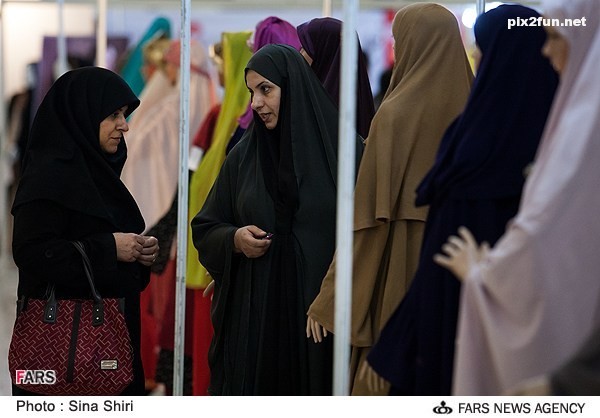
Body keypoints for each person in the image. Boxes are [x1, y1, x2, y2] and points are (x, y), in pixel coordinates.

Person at [365, 4, 559, 396]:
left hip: (456, 313)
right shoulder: (557, 146)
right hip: (511, 330)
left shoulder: (475, 142)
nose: (478, 63)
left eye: (482, 53)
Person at [433, 0, 600, 396]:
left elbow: (546, 230)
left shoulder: (580, 131)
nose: (545, 50)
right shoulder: (565, 118)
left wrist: (484, 274)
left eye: (555, 38)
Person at [305, 3, 473, 395]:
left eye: (399, 41)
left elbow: (366, 226)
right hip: (463, 271)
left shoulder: (395, 117)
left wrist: (330, 299)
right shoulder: (478, 117)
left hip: (402, 271)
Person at [191, 44, 363, 395]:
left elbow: (366, 235)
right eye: (251, 92)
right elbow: (207, 225)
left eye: (266, 89)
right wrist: (234, 240)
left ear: (293, 86)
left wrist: (331, 297)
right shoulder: (244, 157)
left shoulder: (342, 152)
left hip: (321, 318)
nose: (256, 103)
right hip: (258, 318)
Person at [11, 66, 159, 396]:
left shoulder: (99, 176)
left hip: (108, 350)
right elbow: (31, 252)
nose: (125, 125)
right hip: (59, 352)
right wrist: (110, 248)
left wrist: (137, 254)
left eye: (124, 114)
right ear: (83, 115)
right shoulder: (47, 180)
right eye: (114, 115)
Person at [296, 16, 375, 139]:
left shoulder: (326, 109)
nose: (300, 53)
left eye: (305, 47)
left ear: (324, 51)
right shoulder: (358, 101)